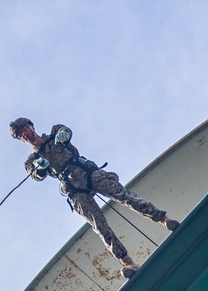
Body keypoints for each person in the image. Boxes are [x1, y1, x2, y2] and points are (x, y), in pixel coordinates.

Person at [10, 117, 179, 279]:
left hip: (87, 172)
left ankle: (164, 219)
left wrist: (64, 135)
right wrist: (39, 167)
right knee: (99, 225)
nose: (24, 134)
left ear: (31, 126)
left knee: (124, 196)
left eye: (24, 129)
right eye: (19, 135)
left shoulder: (55, 133)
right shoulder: (33, 159)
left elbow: (66, 131)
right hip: (74, 188)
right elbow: (36, 175)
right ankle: (127, 262)